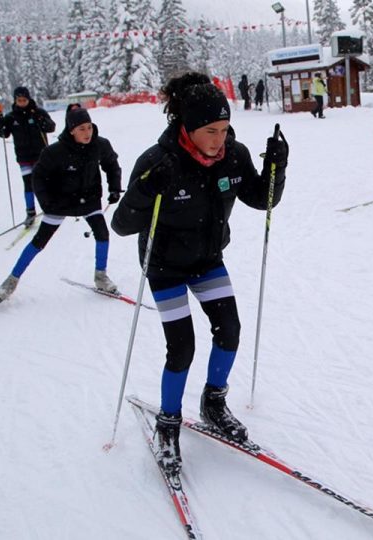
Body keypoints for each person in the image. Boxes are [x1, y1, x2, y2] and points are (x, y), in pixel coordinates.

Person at [111, 72, 288, 474]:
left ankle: (213, 402)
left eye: (225, 129)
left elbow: (262, 199)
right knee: (182, 347)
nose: (219, 139)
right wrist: (143, 189)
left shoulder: (234, 155)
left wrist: (278, 167)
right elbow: (122, 224)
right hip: (165, 266)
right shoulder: (160, 161)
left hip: (207, 259)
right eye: (210, 130)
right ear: (187, 127)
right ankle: (168, 424)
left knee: (230, 330)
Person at [0, 106, 122, 301]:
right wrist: (46, 203)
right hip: (60, 202)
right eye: (81, 129)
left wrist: (114, 188)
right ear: (71, 130)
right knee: (40, 241)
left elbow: (112, 165)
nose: (87, 133)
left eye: (89, 127)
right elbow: (38, 177)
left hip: (88, 199)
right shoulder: (55, 151)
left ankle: (101, 276)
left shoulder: (100, 145)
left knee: (102, 234)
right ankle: (11, 280)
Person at [0, 86, 56, 226]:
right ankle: (30, 212)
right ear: (15, 100)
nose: (22, 102)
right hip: (23, 157)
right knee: (28, 184)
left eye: (24, 100)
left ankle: (49, 207)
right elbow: (4, 134)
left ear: (28, 99)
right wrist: (0, 125)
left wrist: (42, 121)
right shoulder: (11, 116)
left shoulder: (38, 112)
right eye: (19, 100)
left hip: (40, 156)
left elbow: (51, 127)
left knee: (42, 183)